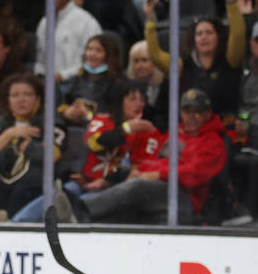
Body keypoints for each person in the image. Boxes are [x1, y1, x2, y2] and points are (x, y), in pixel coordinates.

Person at [74, 88, 228, 225]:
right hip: (158, 195)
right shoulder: (173, 135)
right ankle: (75, 218)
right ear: (180, 112)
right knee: (124, 210)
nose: (193, 116)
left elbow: (195, 173)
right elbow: (154, 161)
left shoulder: (213, 142)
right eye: (188, 111)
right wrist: (139, 172)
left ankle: (79, 209)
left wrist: (156, 175)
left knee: (138, 187)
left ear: (208, 113)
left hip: (185, 200)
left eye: (199, 112)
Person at [16, 79, 163, 223]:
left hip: (116, 188)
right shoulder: (102, 120)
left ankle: (71, 218)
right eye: (132, 99)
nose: (138, 104)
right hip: (85, 182)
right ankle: (15, 223)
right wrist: (126, 129)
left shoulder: (150, 132)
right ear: (119, 101)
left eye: (142, 100)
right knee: (57, 195)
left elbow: (140, 168)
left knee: (78, 203)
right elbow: (95, 143)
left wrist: (107, 181)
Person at [0, 72, 64, 221]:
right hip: (1, 188)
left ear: (38, 99)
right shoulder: (0, 125)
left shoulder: (51, 124)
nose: (21, 99)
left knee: (29, 186)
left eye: (27, 94)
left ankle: (10, 223)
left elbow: (51, 156)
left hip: (34, 188)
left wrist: (26, 145)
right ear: (7, 101)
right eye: (15, 95)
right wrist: (9, 134)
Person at [33, 0, 102, 85]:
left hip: (78, 83)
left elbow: (95, 60)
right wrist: (39, 75)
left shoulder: (86, 21)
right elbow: (40, 60)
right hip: (47, 85)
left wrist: (63, 75)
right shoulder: (44, 23)